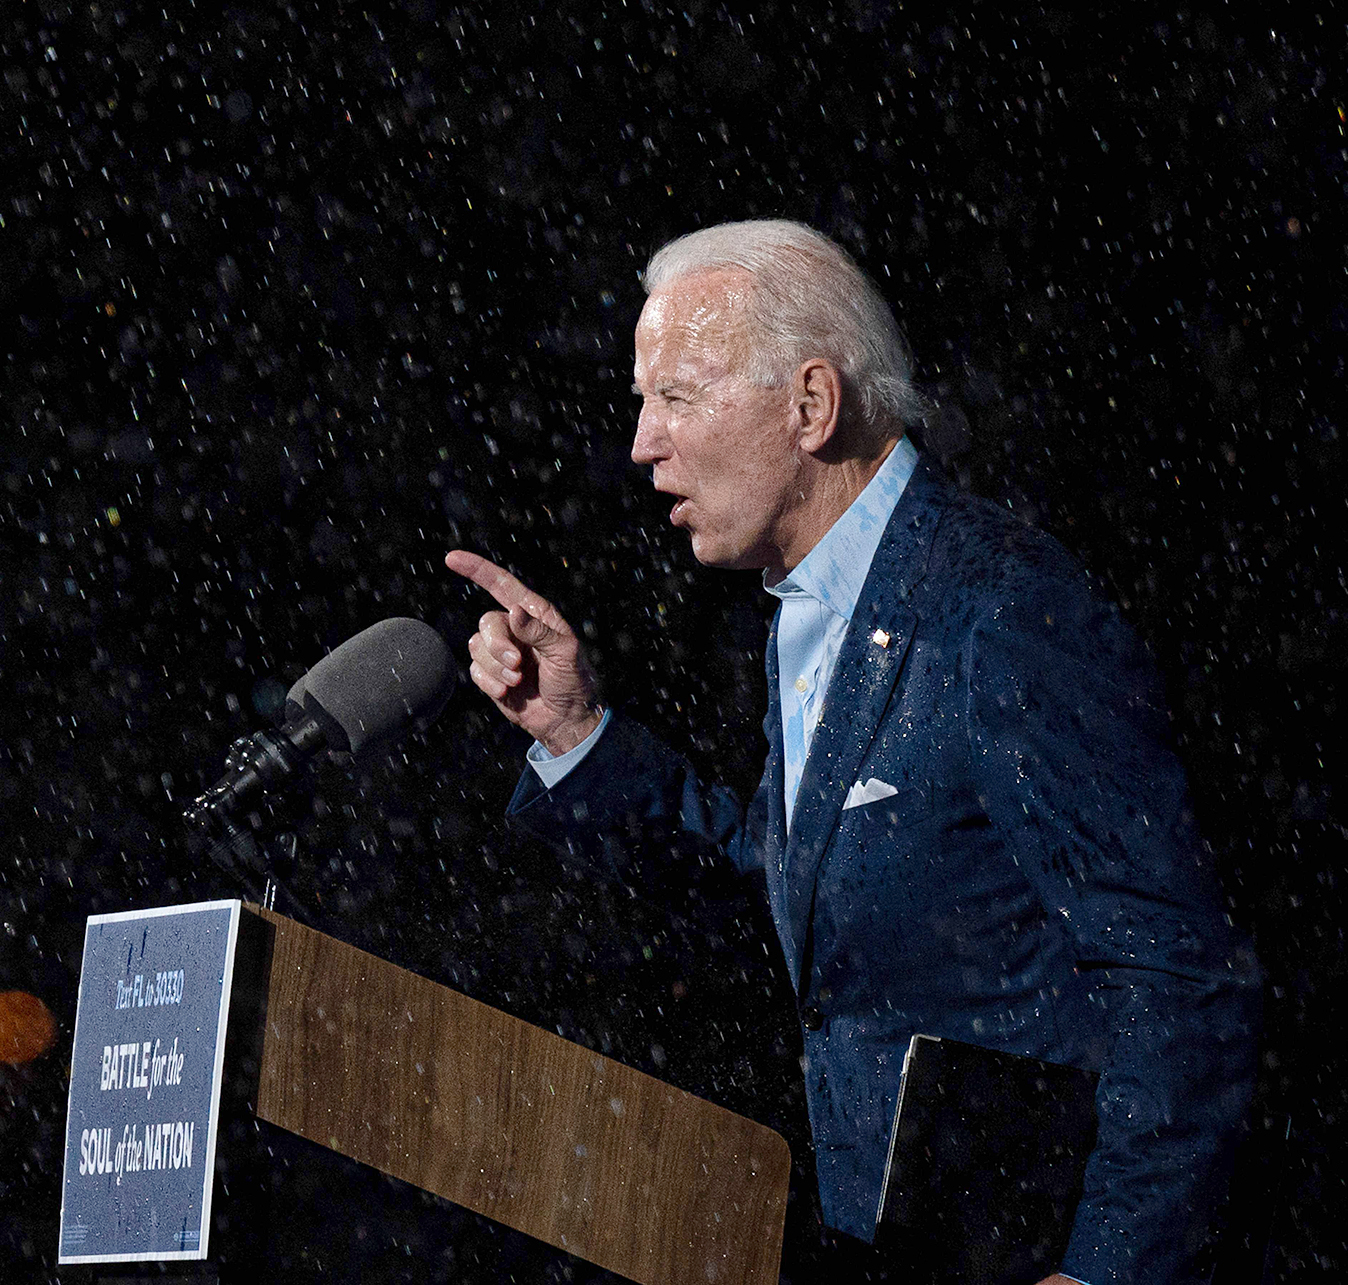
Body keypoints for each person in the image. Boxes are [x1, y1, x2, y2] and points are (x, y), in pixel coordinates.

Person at [447, 220, 1262, 1285]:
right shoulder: (806, 610)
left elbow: (1176, 971)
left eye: (675, 398)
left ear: (810, 406)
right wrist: (573, 734)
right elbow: (795, 891)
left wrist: (1107, 1269)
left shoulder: (995, 610)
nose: (641, 443)